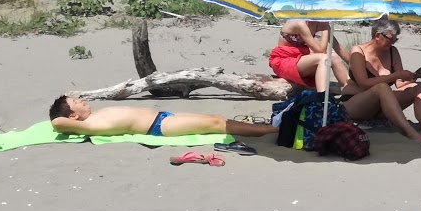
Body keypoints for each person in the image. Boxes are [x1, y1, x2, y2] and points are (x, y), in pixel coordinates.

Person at [342, 18, 421, 141]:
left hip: (380, 107)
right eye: (390, 39)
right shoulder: (358, 51)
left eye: (395, 39)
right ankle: (410, 132)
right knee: (382, 87)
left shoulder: (393, 52)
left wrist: (411, 77)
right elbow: (363, 84)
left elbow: (399, 84)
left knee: (419, 86)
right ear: (378, 35)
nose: (393, 42)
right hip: (356, 105)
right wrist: (395, 75)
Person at [48, 95, 276, 139]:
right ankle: (273, 130)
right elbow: (58, 123)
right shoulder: (89, 126)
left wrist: (69, 101)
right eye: (76, 103)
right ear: (73, 115)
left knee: (214, 117)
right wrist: (68, 116)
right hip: (159, 126)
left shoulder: (93, 117)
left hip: (165, 117)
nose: (82, 100)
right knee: (217, 124)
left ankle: (266, 127)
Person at [268, 19, 350, 93]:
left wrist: (355, 65)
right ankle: (321, 96)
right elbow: (320, 51)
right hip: (284, 62)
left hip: (300, 62)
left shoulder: (318, 23)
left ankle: (348, 88)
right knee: (324, 58)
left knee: (333, 56)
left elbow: (337, 47)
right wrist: (325, 29)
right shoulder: (299, 23)